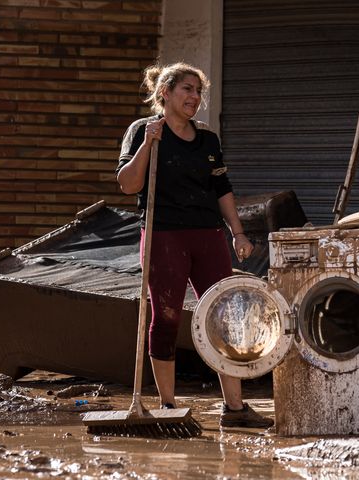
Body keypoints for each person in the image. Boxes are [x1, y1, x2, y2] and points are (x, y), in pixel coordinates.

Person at [115, 62, 273, 429]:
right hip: (164, 234)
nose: (194, 98)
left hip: (208, 235)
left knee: (225, 315)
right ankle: (168, 406)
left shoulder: (207, 140)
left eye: (198, 91)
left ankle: (234, 409)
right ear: (164, 93)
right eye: (187, 89)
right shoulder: (142, 131)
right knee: (166, 315)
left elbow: (222, 189)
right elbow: (127, 184)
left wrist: (238, 233)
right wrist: (148, 145)